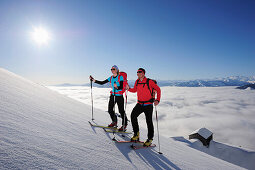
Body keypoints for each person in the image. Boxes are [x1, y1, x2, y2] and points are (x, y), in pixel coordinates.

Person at [126, 68, 161, 146]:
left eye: (140, 72)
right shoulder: (137, 81)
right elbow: (135, 90)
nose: (138, 73)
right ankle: (136, 134)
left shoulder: (149, 81)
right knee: (133, 116)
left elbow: (158, 90)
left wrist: (157, 100)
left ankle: (150, 139)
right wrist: (129, 89)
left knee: (149, 122)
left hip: (148, 105)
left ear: (143, 73)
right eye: (137, 72)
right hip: (139, 103)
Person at [90, 65, 128, 131]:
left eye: (114, 69)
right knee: (110, 109)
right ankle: (114, 122)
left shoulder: (120, 77)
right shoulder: (111, 78)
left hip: (119, 96)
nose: (112, 70)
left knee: (121, 111)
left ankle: (124, 125)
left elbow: (121, 87)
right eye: (111, 69)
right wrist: (94, 80)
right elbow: (102, 83)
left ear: (117, 70)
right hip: (113, 95)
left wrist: (117, 87)